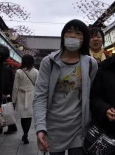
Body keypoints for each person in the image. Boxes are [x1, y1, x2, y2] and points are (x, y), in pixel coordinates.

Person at [33, 19, 98, 155]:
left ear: (84, 39)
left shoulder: (91, 64)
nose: (73, 36)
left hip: (79, 129)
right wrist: (40, 128)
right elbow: (40, 97)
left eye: (78, 33)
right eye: (69, 32)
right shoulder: (49, 62)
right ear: (63, 36)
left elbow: (94, 96)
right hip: (53, 129)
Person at [12, 55, 39, 144]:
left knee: (23, 116)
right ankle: (26, 134)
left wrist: (13, 100)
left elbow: (15, 87)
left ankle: (25, 133)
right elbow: (38, 85)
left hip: (21, 95)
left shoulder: (19, 71)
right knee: (29, 116)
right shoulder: (36, 72)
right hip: (31, 95)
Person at [3, 61, 17, 135]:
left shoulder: (5, 68)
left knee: (7, 109)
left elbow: (7, 81)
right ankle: (12, 126)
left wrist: (5, 93)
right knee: (8, 109)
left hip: (6, 92)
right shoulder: (8, 68)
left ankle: (11, 126)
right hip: (8, 92)